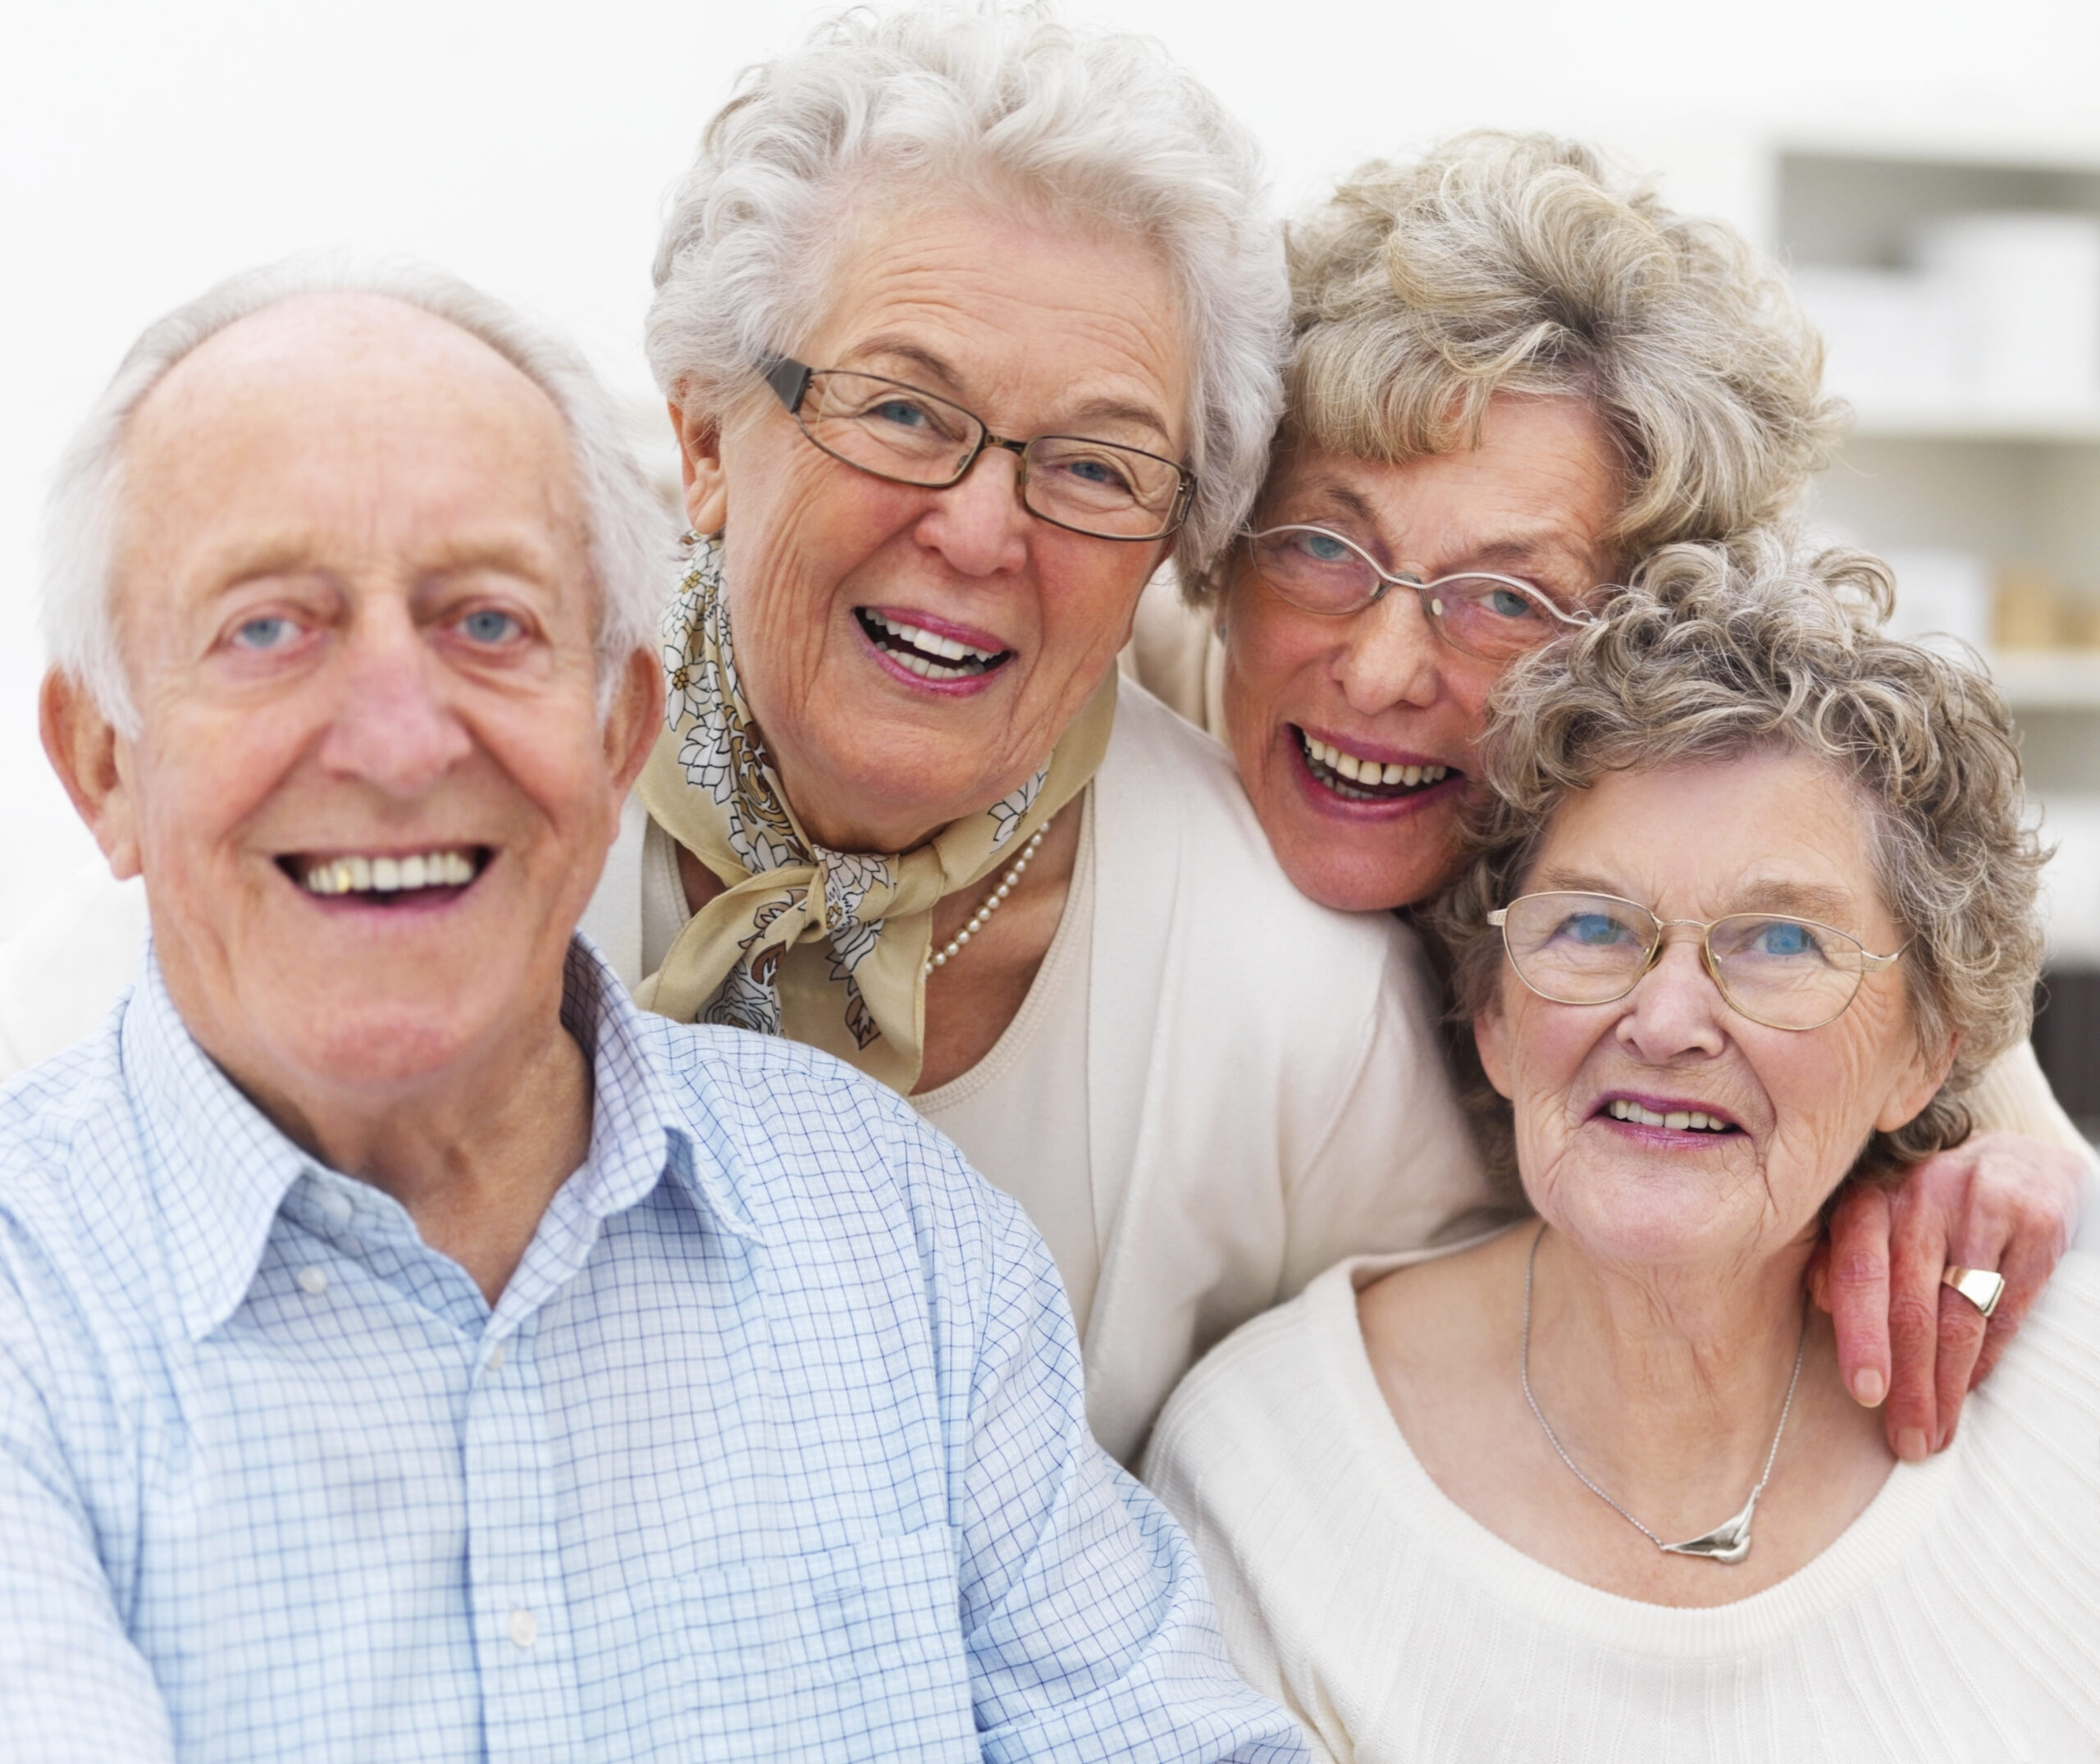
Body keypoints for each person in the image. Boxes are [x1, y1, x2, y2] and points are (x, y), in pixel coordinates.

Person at [0, 258, 1304, 1762]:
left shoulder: (907, 1241)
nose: (402, 737)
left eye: (487, 624)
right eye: (266, 631)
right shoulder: (35, 1308)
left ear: (619, 734)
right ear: (101, 765)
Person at [1124, 130, 2093, 1460]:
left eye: (1507, 599)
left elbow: (1969, 1080)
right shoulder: (1108, 697)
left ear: (1642, 651)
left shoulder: (1666, 855)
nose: (1383, 666)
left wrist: (2011, 1164)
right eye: (1321, 547)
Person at [1143, 533, 2100, 1760]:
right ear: (1493, 1013)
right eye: (1593, 924)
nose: (1664, 1019)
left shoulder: (2066, 1392)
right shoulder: (1267, 1470)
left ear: (1926, 1049)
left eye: (1780, 942)